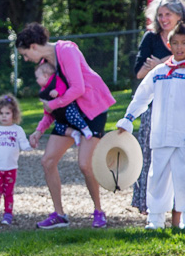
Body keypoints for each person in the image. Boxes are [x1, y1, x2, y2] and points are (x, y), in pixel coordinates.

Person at [16, 22, 116, 230]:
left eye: (25, 54)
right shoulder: (45, 65)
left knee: (85, 164)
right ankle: (59, 215)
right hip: (69, 112)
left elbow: (78, 88)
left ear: (34, 46)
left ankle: (99, 211)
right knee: (48, 160)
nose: (26, 60)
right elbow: (52, 104)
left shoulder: (66, 50)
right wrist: (39, 130)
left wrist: (52, 104)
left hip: (92, 110)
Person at [116, 22, 185, 229]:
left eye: (184, 43)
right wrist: (128, 118)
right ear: (169, 45)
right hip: (160, 135)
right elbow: (141, 96)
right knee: (157, 176)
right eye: (175, 43)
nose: (179, 48)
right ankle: (155, 219)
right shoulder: (159, 71)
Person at [131, 0, 185, 222]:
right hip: (155, 109)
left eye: (168, 14)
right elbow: (140, 72)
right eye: (160, 15)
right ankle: (153, 216)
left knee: (183, 163)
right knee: (152, 160)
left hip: (182, 110)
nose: (163, 19)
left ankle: (180, 219)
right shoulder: (150, 38)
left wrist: (159, 64)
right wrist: (168, 64)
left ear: (179, 15)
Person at [0, 94, 30, 224]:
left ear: (14, 114)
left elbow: (25, 146)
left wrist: (32, 145)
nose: (4, 116)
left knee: (8, 193)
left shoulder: (17, 130)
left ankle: (8, 214)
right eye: (1, 113)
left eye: (7, 113)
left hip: (11, 167)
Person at [34, 59, 93, 144]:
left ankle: (85, 129)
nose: (36, 80)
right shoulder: (44, 92)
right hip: (59, 115)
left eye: (37, 78)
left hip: (67, 107)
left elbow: (63, 87)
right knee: (59, 127)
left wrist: (57, 91)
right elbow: (47, 111)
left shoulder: (56, 81)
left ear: (45, 76)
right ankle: (74, 133)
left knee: (72, 115)